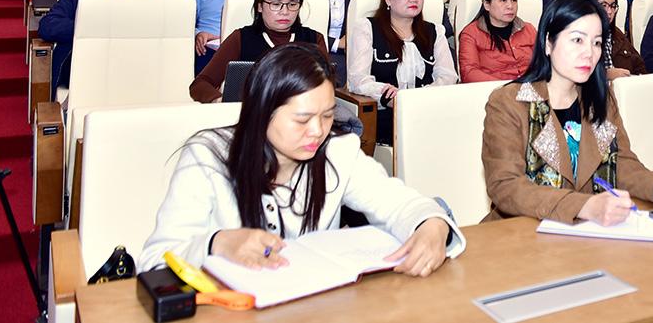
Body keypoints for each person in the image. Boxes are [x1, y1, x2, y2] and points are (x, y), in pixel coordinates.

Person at [142, 44, 464, 271]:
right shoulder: (208, 157)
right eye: (302, 119)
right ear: (261, 110)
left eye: (327, 116)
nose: (318, 131)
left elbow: (400, 203)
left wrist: (432, 224)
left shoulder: (337, 151)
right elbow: (155, 261)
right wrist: (216, 244)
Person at [481, 0, 653, 224]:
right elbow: (506, 186)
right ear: (548, 43)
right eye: (577, 40)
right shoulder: (510, 102)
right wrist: (583, 206)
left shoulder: (600, 99)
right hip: (521, 231)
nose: (589, 53)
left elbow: (622, 165)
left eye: (597, 43)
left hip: (588, 231)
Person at [347, 0, 458, 144]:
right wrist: (387, 95)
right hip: (385, 120)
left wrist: (420, 97)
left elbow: (448, 76)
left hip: (428, 116)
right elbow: (358, 80)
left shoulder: (435, 31)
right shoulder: (367, 28)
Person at [191, 0, 329, 103]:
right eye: (276, 4)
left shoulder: (314, 39)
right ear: (260, 6)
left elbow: (328, 86)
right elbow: (200, 84)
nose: (285, 11)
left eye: (292, 4)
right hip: (251, 114)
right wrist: (221, 102)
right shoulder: (241, 38)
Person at [458, 0, 537, 83]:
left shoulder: (529, 29)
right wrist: (508, 87)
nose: (510, 6)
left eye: (514, 0)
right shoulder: (471, 33)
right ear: (487, 4)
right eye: (503, 0)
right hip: (493, 90)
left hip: (532, 87)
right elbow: (469, 73)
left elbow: (544, 62)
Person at [584, 0, 645, 78]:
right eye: (603, 5)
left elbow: (639, 65)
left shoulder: (617, 33)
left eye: (613, 6)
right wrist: (605, 74)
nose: (609, 11)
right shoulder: (579, 37)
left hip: (626, 85)